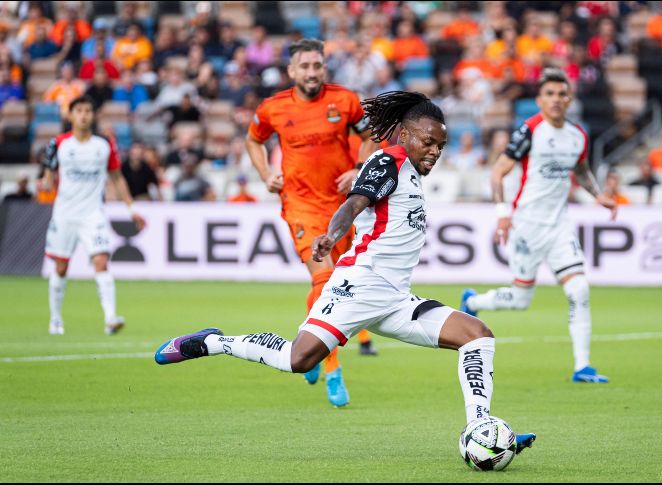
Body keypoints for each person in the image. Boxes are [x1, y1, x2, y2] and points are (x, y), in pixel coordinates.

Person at [154, 91, 538, 455]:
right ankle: (214, 342)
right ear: (404, 134)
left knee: (477, 335)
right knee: (298, 359)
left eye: (440, 145)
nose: (435, 151)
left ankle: (481, 428)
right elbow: (355, 203)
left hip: (395, 298)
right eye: (427, 142)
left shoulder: (413, 173)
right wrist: (331, 236)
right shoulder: (388, 162)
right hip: (359, 286)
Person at [245, 39, 380, 408]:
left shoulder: (346, 101)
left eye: (317, 65)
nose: (311, 72)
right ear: (292, 71)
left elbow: (370, 136)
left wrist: (357, 169)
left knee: (338, 282)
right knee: (324, 279)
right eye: (304, 66)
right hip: (300, 203)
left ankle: (307, 341)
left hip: (341, 207)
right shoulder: (273, 108)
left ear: (324, 68)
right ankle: (332, 368)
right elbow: (253, 141)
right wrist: (264, 174)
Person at [460, 69, 616, 384]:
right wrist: (503, 214)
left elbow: (582, 170)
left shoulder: (577, 135)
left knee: (579, 290)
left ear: (569, 98)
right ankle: (473, 301)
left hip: (560, 227)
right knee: (520, 300)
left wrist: (599, 195)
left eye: (562, 94)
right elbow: (497, 172)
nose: (556, 100)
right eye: (550, 94)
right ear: (539, 100)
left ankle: (582, 366)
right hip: (527, 226)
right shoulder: (531, 130)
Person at [41, 95, 146, 336]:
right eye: (79, 110)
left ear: (93, 115)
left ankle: (110, 318)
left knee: (101, 261)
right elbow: (47, 177)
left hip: (93, 214)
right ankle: (55, 319)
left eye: (88, 110)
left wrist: (132, 208)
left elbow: (117, 178)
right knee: (60, 267)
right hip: (65, 214)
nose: (84, 115)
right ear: (71, 115)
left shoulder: (103, 145)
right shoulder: (58, 144)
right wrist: (45, 184)